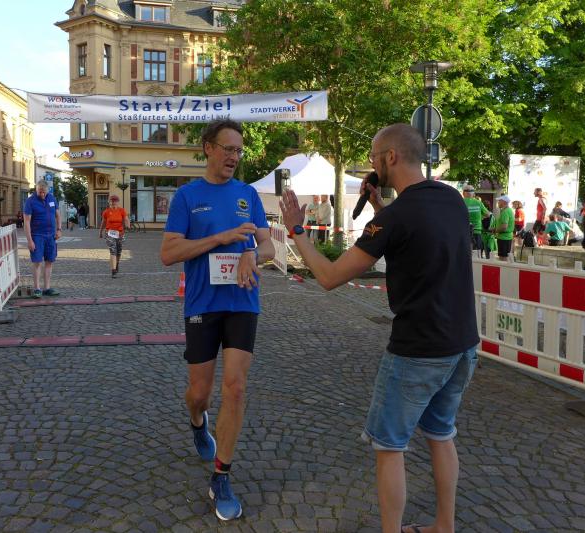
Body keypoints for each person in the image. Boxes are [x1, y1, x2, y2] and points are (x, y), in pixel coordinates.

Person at [280, 123, 478, 533]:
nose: (371, 164)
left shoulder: (395, 217)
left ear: (391, 157)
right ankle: (445, 526)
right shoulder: (451, 199)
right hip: (462, 343)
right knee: (441, 435)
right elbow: (417, 234)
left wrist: (297, 231)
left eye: (373, 156)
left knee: (389, 447)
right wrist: (379, 209)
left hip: (417, 349)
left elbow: (329, 276)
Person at [160, 119, 275, 521]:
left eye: (239, 151)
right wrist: (220, 239)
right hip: (202, 304)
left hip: (243, 301)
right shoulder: (187, 197)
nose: (234, 157)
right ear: (208, 148)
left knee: (236, 387)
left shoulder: (248, 195)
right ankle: (198, 420)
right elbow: (169, 253)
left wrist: (252, 254)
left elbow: (269, 246)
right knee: (201, 393)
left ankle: (221, 476)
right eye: (228, 149)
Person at [23, 180, 61, 298]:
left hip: (51, 236)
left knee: (49, 261)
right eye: (40, 192)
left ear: (47, 190)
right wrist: (30, 240)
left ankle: (47, 288)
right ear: (36, 189)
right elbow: (27, 222)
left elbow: (58, 215)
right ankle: (37, 289)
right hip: (37, 236)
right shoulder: (30, 201)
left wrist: (59, 229)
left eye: (44, 192)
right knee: (37, 262)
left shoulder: (52, 198)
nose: (42, 194)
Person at [99, 195, 130, 278]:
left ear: (118, 202)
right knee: (113, 251)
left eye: (115, 201)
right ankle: (113, 271)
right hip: (109, 233)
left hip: (120, 233)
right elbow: (103, 222)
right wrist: (100, 232)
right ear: (109, 202)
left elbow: (126, 219)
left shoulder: (121, 210)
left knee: (119, 251)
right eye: (112, 201)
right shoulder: (106, 212)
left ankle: (117, 263)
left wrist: (128, 226)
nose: (113, 202)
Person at [462, 185, 489, 253]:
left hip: (464, 231)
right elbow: (488, 214)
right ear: (473, 193)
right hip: (477, 230)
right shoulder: (478, 202)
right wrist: (481, 217)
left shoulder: (460, 202)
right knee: (477, 253)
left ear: (463, 193)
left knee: (465, 252)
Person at [494, 195, 515, 260]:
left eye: (499, 201)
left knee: (503, 258)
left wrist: (495, 230)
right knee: (505, 257)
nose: (498, 203)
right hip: (507, 237)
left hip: (503, 238)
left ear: (504, 202)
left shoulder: (505, 212)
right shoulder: (509, 210)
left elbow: (504, 227)